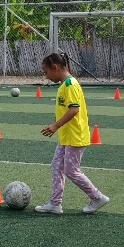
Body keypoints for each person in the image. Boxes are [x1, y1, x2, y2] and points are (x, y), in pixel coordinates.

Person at [37, 51, 110, 214]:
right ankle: (55, 204)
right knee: (57, 166)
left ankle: (97, 197)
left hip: (75, 135)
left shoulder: (70, 84)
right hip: (67, 136)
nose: (46, 76)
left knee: (71, 170)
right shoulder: (65, 85)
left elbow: (74, 109)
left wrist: (55, 126)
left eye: (46, 72)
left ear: (55, 67)